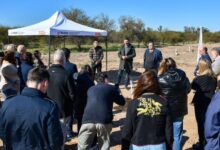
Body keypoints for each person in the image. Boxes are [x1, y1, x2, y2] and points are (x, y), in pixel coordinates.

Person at [0, 67, 63, 150]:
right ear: (45, 83)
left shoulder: (8, 103)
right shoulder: (49, 107)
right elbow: (55, 142)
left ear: (27, 82)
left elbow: (2, 131)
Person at [121, 71, 172, 150]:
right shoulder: (164, 102)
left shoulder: (133, 103)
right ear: (157, 85)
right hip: (158, 145)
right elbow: (168, 130)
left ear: (140, 84)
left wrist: (124, 148)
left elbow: (127, 131)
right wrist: (169, 147)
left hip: (138, 145)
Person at [78, 73, 125, 150]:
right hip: (104, 120)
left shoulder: (90, 89)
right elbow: (122, 102)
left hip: (87, 119)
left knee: (82, 147)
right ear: (106, 80)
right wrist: (118, 91)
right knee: (104, 146)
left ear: (96, 81)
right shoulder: (111, 88)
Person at [158, 57, 191, 150]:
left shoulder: (160, 77)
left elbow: (156, 93)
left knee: (164, 132)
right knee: (177, 134)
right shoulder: (182, 74)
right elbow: (188, 89)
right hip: (179, 108)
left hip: (165, 108)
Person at [47, 49, 75, 141]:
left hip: (48, 110)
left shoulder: (45, 73)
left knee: (51, 137)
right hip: (63, 111)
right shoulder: (66, 74)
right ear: (64, 60)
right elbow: (72, 94)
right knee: (61, 139)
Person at [191, 59, 217, 150]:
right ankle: (208, 142)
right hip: (211, 100)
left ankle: (202, 144)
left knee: (201, 123)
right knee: (210, 122)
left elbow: (192, 86)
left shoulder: (198, 78)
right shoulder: (213, 77)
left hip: (200, 102)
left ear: (201, 67)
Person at [75, 65, 95, 132]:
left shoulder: (77, 80)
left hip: (78, 104)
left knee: (79, 121)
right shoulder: (90, 82)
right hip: (87, 104)